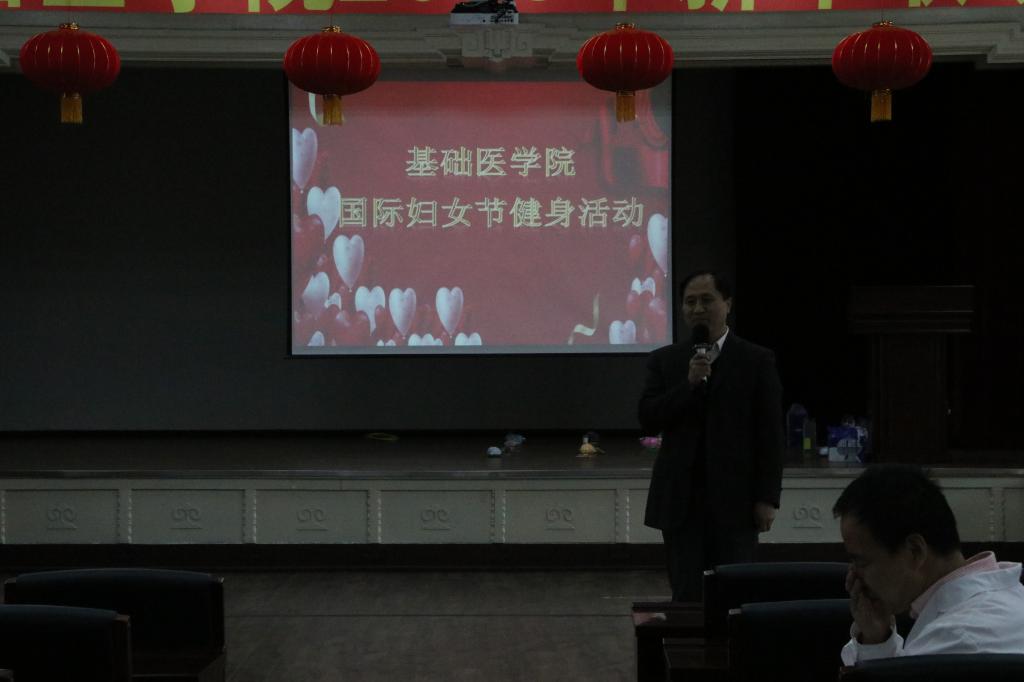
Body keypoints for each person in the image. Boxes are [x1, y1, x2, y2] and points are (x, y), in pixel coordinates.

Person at [639, 271, 784, 602]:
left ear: (727, 304)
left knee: (735, 594)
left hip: (736, 503)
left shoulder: (756, 360)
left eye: (707, 300)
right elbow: (647, 418)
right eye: (690, 302)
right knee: (687, 595)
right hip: (681, 503)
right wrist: (688, 384)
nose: (698, 309)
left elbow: (770, 434)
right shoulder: (665, 360)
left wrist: (767, 497)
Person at [834, 464, 1024, 664]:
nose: (854, 576)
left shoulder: (953, 640)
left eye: (861, 562)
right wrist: (876, 639)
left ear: (915, 551)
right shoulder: (1011, 595)